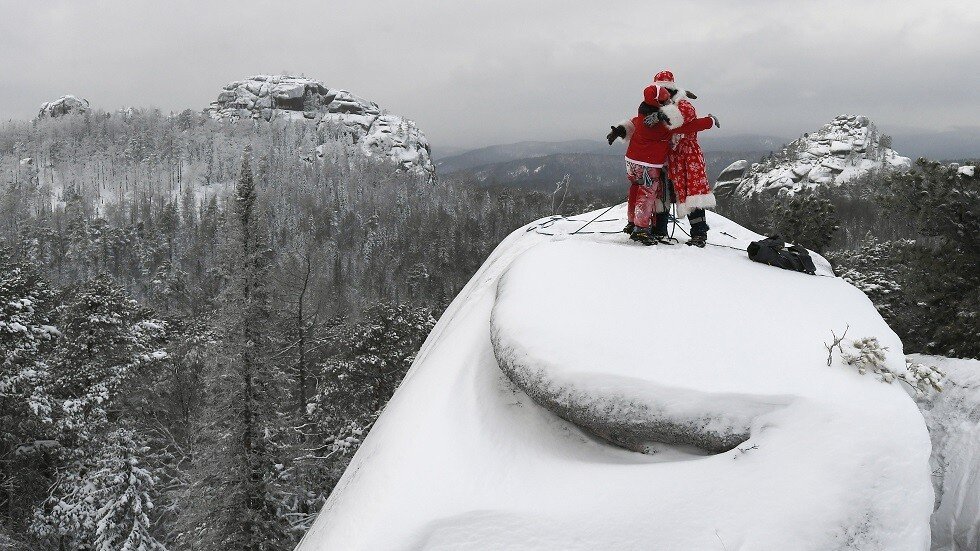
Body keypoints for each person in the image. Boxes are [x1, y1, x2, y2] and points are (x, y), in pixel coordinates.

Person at [607, 85, 718, 246]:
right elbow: (689, 126)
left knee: (635, 190)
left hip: (632, 161)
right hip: (647, 163)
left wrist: (618, 130)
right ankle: (641, 229)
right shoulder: (661, 124)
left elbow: (633, 123)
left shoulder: (642, 114)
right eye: (665, 99)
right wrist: (710, 121)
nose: (668, 102)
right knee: (647, 194)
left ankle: (632, 223)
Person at [654, 70, 718, 247]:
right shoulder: (660, 106)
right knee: (663, 193)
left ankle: (699, 233)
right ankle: (659, 230)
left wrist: (659, 118)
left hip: (688, 156)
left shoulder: (684, 105)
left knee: (693, 193)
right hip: (668, 156)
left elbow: (675, 123)